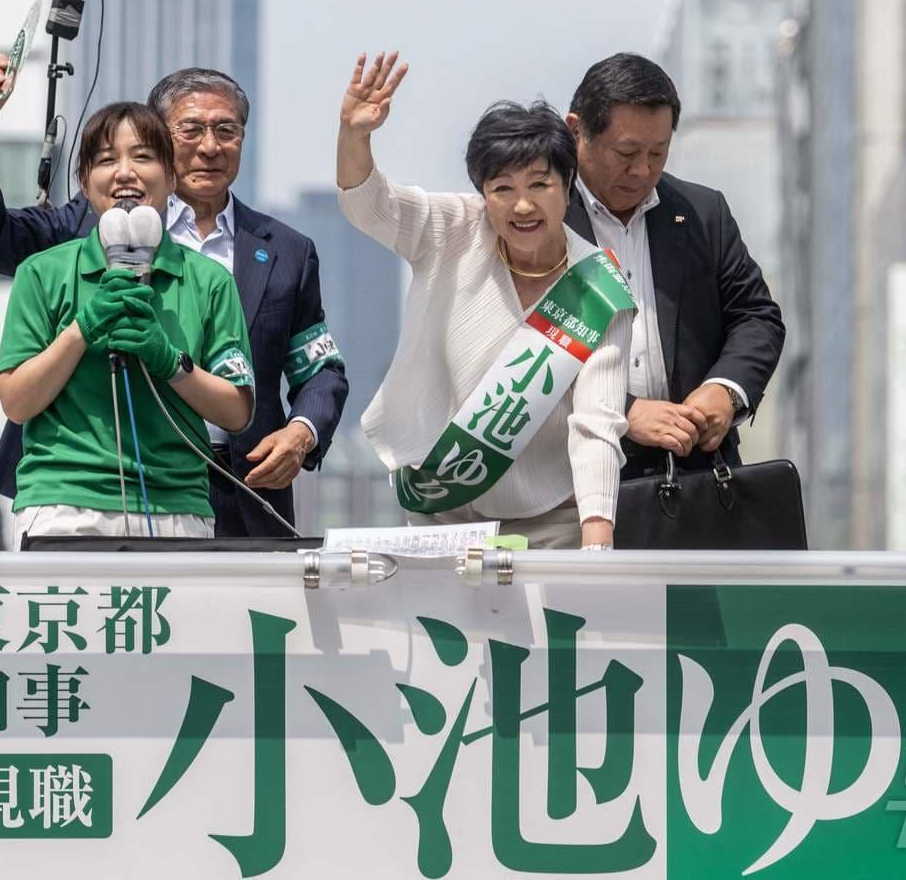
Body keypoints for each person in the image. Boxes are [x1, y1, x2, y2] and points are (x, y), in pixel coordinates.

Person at [0, 59, 347, 537]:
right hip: (85, 494)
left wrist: (302, 432)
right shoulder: (93, 224)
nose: (210, 146)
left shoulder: (287, 252)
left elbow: (317, 366)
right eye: (190, 129)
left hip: (241, 489)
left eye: (226, 129)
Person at [335, 53, 635, 549]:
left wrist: (597, 543)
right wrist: (355, 134)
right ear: (482, 193)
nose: (522, 205)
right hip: (446, 520)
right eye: (503, 188)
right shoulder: (453, 229)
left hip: (554, 526)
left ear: (567, 187)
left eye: (540, 185)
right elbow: (370, 206)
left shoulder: (599, 289)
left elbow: (596, 425)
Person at [0, 102, 254, 544]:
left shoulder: (210, 281)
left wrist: (168, 360)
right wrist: (82, 329)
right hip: (63, 506)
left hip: (177, 507)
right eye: (105, 160)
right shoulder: (41, 273)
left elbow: (237, 411)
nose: (124, 173)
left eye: (142, 156)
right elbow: (17, 402)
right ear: (83, 181)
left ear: (172, 177)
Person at [564, 53, 784, 479]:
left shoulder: (702, 213)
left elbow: (756, 316)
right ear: (577, 132)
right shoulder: (541, 222)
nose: (642, 171)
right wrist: (622, 412)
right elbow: (514, 349)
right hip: (572, 483)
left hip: (695, 480)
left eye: (658, 153)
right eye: (626, 153)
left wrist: (725, 390)